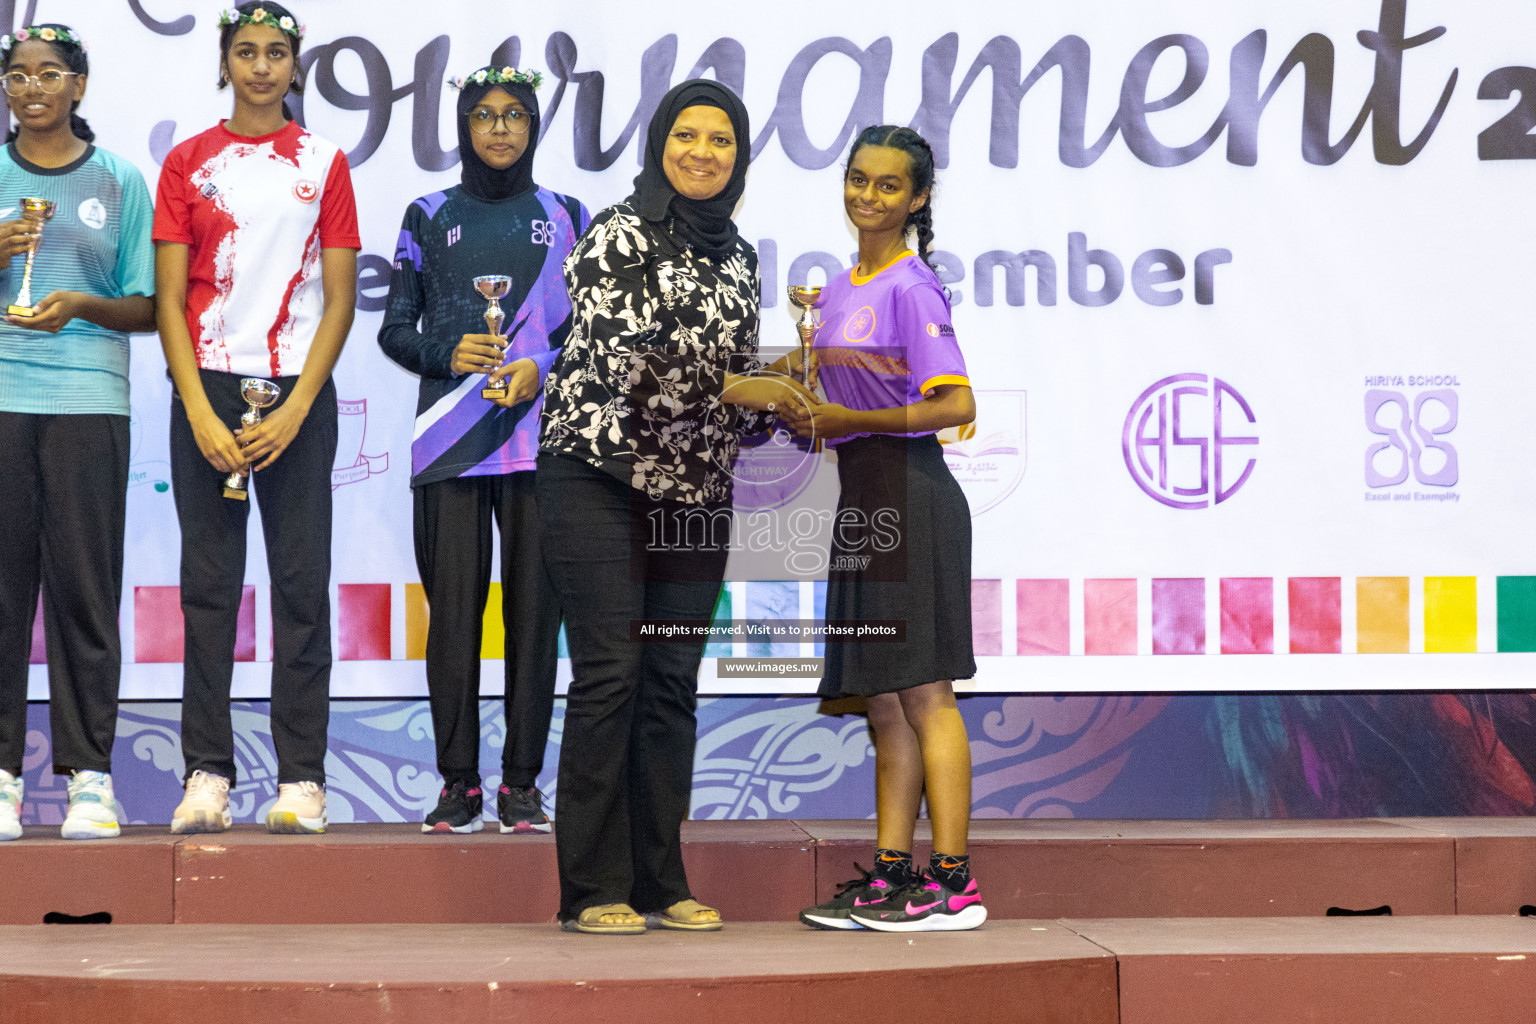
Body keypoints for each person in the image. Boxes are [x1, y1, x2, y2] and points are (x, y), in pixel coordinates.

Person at [538, 79, 812, 933]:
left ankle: (662, 880)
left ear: (740, 157)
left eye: (721, 140)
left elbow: (725, 394)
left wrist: (786, 407)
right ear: (659, 142)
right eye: (687, 135)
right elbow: (638, 374)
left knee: (670, 687)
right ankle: (591, 888)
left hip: (693, 492)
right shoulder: (619, 235)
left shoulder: (739, 254)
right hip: (598, 478)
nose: (703, 152)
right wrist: (759, 384)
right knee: (612, 677)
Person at [152, 2, 358, 835]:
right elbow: (170, 300)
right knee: (208, 591)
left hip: (297, 395)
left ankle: (302, 779)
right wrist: (200, 409)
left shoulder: (324, 161)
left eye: (277, 53)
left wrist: (298, 408)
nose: (262, 67)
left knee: (301, 590)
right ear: (226, 62)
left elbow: (340, 302)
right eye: (247, 52)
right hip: (206, 388)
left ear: (296, 66)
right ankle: (207, 773)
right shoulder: (188, 163)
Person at [785, 126, 985, 932]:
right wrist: (797, 407)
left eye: (888, 186)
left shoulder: (912, 286)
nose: (868, 197)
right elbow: (833, 414)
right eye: (857, 181)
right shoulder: (834, 288)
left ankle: (953, 883)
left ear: (919, 197)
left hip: (914, 500)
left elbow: (957, 404)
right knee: (885, 706)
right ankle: (893, 875)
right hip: (863, 504)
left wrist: (847, 414)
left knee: (926, 693)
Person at [379, 63, 587, 835]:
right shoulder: (428, 212)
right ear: (463, 127)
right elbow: (393, 329)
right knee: (456, 620)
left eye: (516, 115)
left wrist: (542, 367)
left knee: (536, 620)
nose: (500, 128)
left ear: (533, 127)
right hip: (449, 447)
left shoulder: (567, 213)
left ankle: (522, 785)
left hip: (544, 447)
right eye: (484, 115)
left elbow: (591, 334)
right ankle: (458, 783)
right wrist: (449, 352)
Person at [0, 24, 155, 841]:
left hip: (91, 402)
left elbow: (150, 306)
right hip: (2, 401)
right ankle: (1, 782)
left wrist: (79, 306)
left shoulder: (120, 180)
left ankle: (90, 776)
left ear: (79, 86)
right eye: (17, 74)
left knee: (85, 593)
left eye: (50, 73)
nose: (32, 88)